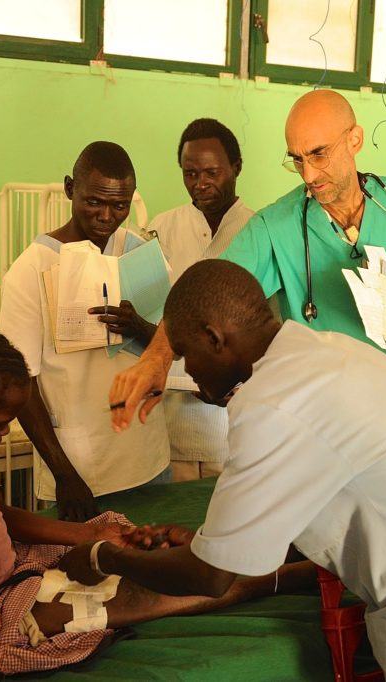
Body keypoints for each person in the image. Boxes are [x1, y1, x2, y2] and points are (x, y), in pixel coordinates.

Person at [61, 259, 386, 681]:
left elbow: (213, 576)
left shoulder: (273, 404)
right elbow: (316, 494)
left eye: (188, 355)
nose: (188, 371)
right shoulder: (323, 352)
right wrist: (209, 537)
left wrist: (104, 558)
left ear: (216, 337)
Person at [0, 326, 314, 678]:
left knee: (113, 532)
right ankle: (263, 580)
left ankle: (233, 553)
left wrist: (83, 533)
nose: (4, 434)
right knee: (117, 597)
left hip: (12, 575)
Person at [107, 90, 386, 433]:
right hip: (333, 422)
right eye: (297, 159)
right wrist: (156, 359)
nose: (308, 175)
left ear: (355, 139)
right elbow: (204, 295)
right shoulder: (275, 226)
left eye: (319, 154)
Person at [0, 142, 169, 520]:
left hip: (147, 454)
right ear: (69, 188)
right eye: (95, 202)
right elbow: (21, 380)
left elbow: (168, 344)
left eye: (120, 205)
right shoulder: (31, 271)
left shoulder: (140, 255)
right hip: (80, 463)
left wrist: (140, 328)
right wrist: (63, 472)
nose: (107, 216)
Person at [149, 118, 254, 481]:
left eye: (212, 172)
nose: (201, 183)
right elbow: (150, 311)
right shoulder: (161, 228)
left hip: (234, 418)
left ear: (236, 167)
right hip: (173, 413)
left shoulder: (257, 231)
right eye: (190, 173)